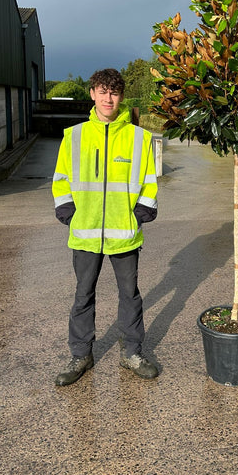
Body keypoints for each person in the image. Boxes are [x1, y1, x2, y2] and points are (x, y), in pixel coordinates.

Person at [52, 68, 158, 386]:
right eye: (102, 91)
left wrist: (139, 214)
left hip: (124, 233)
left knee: (130, 296)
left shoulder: (140, 137)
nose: (108, 98)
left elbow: (149, 183)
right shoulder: (75, 136)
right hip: (84, 233)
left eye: (113, 92)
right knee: (83, 295)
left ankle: (132, 354)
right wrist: (68, 212)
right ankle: (81, 355)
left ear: (121, 96)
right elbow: (60, 180)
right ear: (93, 94)